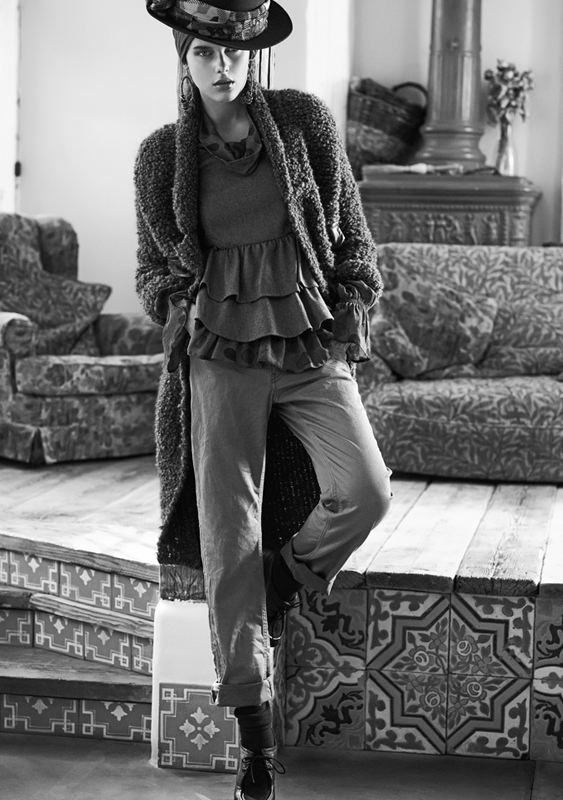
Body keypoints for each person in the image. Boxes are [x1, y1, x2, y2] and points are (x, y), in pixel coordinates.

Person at [136, 2, 392, 798]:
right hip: (218, 353)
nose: (223, 65)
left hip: (309, 339)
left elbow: (351, 235)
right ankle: (254, 740)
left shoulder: (303, 122)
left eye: (235, 51)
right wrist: (176, 306)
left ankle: (284, 578)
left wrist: (353, 302)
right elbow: (151, 270)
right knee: (227, 536)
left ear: (254, 55)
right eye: (206, 52)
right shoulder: (160, 156)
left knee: (366, 491)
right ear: (185, 57)